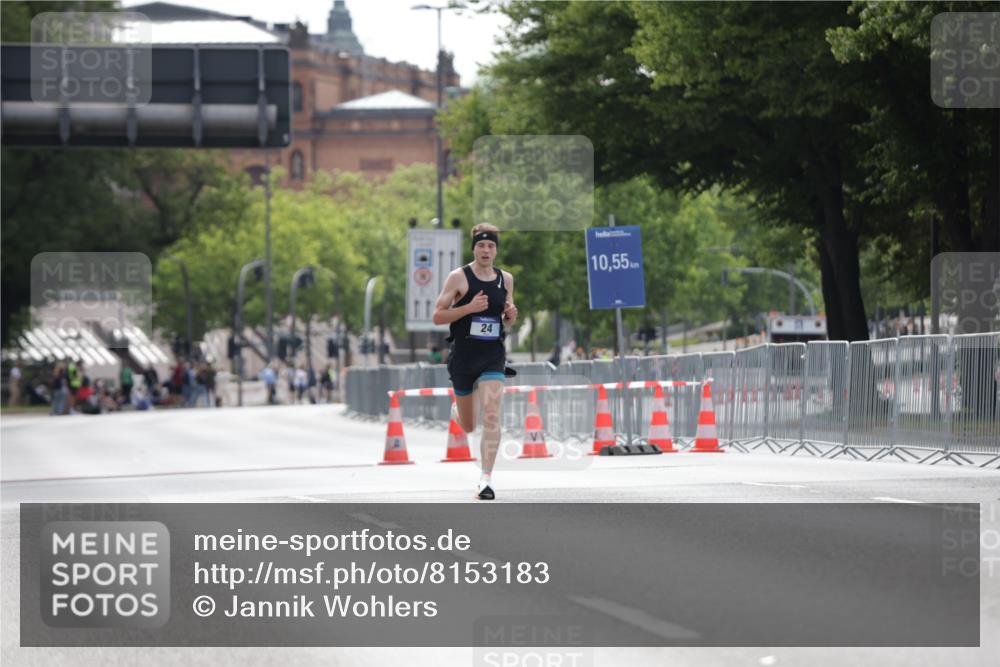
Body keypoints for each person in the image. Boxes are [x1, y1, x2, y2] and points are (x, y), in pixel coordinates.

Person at [432, 223, 518, 501]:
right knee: (469, 425)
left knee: (492, 414)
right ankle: (459, 409)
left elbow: (507, 318)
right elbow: (437, 316)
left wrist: (511, 314)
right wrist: (468, 308)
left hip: (492, 355)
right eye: (481, 245)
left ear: (496, 250)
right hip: (464, 359)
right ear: (474, 248)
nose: (486, 250)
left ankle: (486, 479)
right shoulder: (458, 278)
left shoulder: (505, 279)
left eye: (491, 245)